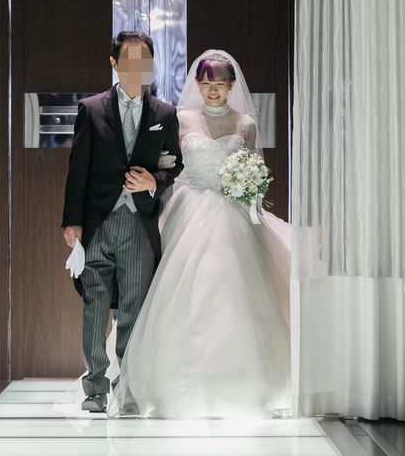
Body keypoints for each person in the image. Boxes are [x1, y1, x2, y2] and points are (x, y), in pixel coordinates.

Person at [117, 50, 291, 418]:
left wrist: (250, 193)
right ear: (198, 85)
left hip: (232, 214)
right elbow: (169, 165)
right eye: (207, 84)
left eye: (220, 84)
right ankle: (180, 379)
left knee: (231, 290)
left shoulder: (245, 124)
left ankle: (236, 379)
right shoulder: (181, 119)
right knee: (187, 291)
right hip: (189, 208)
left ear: (231, 85)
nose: (213, 90)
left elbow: (254, 169)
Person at [61, 31, 183, 413]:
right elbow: (77, 170)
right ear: (114, 63)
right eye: (128, 61)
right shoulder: (92, 109)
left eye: (144, 61)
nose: (136, 68)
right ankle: (95, 389)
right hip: (98, 221)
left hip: (139, 223)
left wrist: (153, 182)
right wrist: (72, 222)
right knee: (94, 306)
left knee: (133, 308)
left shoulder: (165, 114)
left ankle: (127, 387)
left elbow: (175, 165)